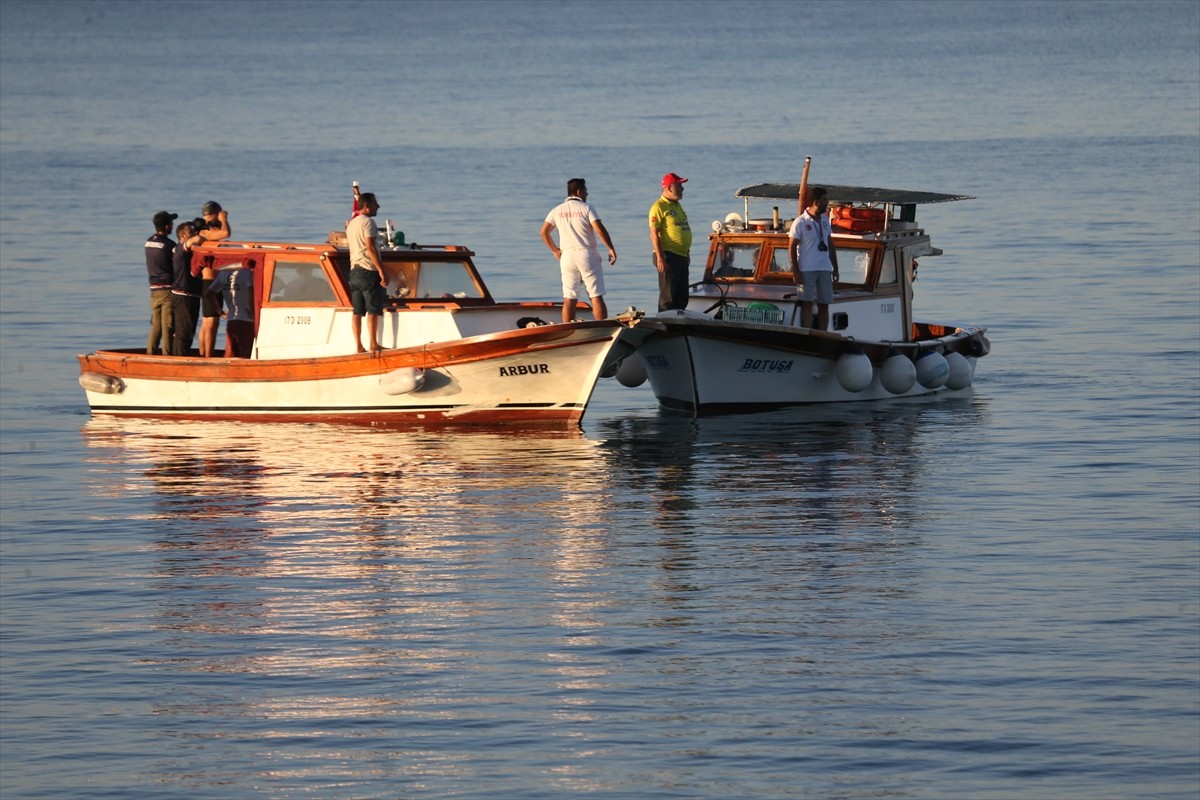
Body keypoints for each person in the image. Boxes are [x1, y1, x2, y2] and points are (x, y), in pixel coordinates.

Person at [540, 178, 617, 323]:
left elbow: (544, 232)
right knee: (596, 295)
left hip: (567, 256)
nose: (587, 194)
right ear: (579, 192)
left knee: (569, 297)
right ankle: (604, 327)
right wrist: (610, 248)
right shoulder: (586, 207)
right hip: (586, 254)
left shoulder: (556, 210)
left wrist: (555, 250)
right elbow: (599, 229)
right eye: (586, 191)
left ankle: (568, 329)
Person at [788, 186, 840, 330]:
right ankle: (806, 332)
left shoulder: (824, 220)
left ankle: (822, 334)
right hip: (807, 269)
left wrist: (835, 268)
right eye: (825, 200)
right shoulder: (800, 222)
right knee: (807, 303)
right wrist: (795, 271)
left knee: (824, 304)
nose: (827, 202)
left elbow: (830, 244)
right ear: (816, 202)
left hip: (824, 268)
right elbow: (791, 247)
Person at [345, 191, 386, 353]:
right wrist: (381, 270)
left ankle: (358, 346)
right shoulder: (368, 222)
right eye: (375, 203)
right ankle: (373, 344)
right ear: (367, 206)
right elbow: (370, 247)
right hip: (368, 270)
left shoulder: (352, 224)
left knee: (357, 311)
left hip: (354, 271)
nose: (378, 206)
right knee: (372, 309)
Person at [648, 172, 692, 311]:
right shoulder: (659, 206)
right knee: (668, 297)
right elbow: (654, 234)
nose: (682, 189)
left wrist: (687, 253)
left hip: (681, 256)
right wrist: (660, 258)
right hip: (668, 256)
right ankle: (666, 325)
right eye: (679, 185)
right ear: (669, 188)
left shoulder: (677, 205)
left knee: (682, 295)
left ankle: (679, 325)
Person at [195, 201, 232, 357]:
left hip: (213, 282)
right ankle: (207, 357)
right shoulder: (205, 232)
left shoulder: (211, 232)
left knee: (207, 322)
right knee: (210, 323)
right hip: (209, 282)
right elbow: (226, 233)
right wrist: (224, 219)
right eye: (219, 213)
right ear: (212, 214)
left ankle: (204, 355)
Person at [204, 264, 255, 358]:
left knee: (230, 352)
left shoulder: (223, 273)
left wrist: (220, 312)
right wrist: (253, 312)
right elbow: (250, 293)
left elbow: (209, 294)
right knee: (245, 354)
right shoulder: (247, 273)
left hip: (231, 319)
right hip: (247, 320)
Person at [145, 210, 177, 355]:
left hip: (154, 289)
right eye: (170, 223)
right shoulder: (169, 245)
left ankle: (150, 354)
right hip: (167, 288)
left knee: (156, 326)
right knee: (168, 326)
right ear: (166, 226)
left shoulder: (148, 242)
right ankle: (167, 357)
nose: (172, 225)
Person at [170, 221, 204, 355]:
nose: (195, 233)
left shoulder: (185, 251)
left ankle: (180, 355)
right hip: (184, 295)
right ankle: (180, 359)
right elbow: (196, 239)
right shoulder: (181, 250)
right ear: (183, 236)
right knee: (184, 331)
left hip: (187, 295)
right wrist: (202, 237)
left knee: (185, 330)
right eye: (191, 232)